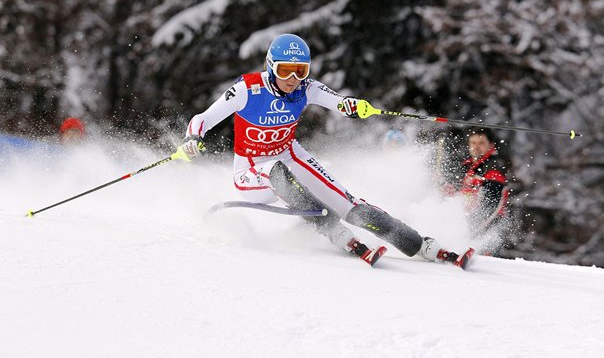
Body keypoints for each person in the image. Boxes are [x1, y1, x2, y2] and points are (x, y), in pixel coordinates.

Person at [180, 33, 464, 266]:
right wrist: (192, 138)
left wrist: (354, 106)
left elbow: (339, 101)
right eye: (285, 70)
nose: (293, 78)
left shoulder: (306, 89)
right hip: (251, 170)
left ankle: (419, 244)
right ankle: (335, 232)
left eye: (300, 71)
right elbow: (202, 119)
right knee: (276, 172)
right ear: (270, 67)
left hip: (290, 155)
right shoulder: (247, 89)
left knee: (349, 203)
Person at [445, 127, 510, 237]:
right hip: (465, 225)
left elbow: (491, 203)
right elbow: (455, 193)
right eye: (473, 142)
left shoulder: (493, 167)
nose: (476, 147)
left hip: (488, 229)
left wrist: (472, 229)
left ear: (491, 145)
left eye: (481, 143)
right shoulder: (466, 166)